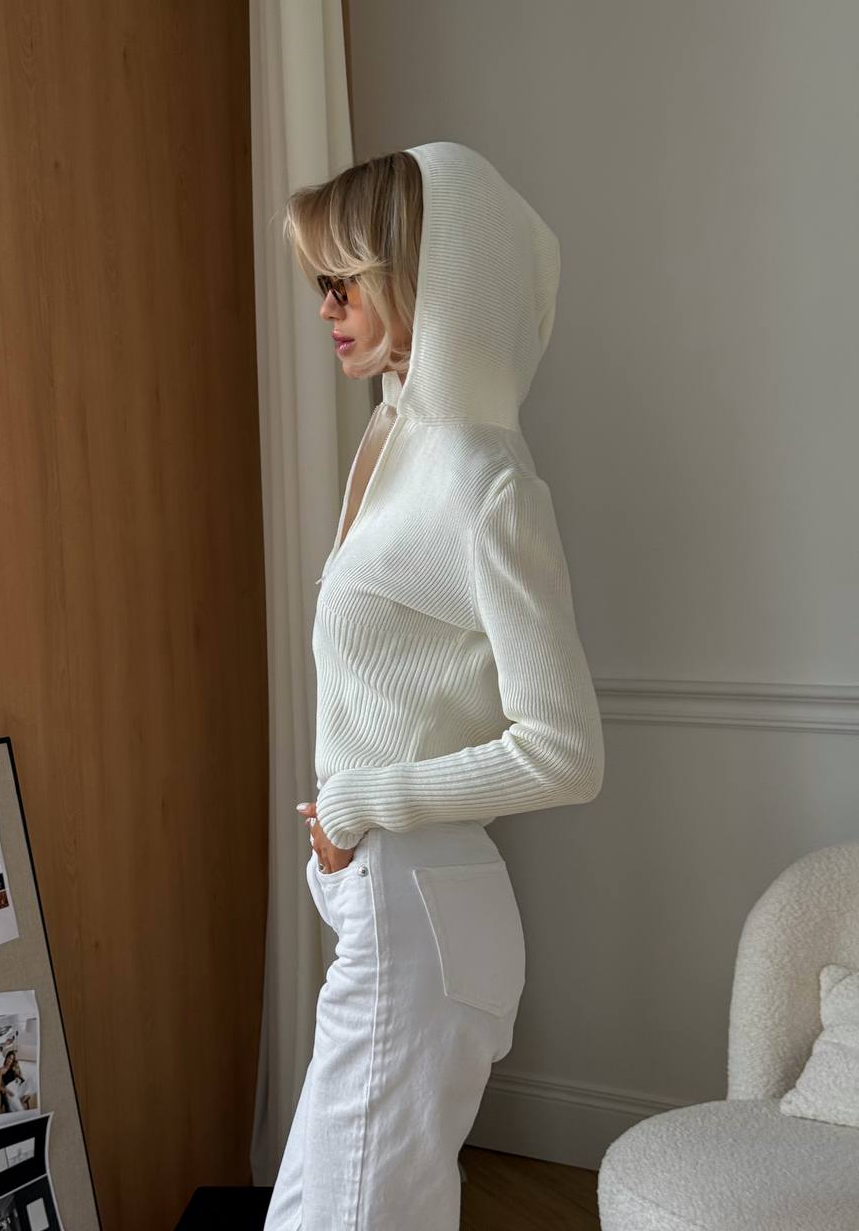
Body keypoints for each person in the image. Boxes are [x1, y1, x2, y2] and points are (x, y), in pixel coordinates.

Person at [264, 141, 604, 1230]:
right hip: (387, 897)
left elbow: (565, 750)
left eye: (343, 279)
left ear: (424, 270)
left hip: (420, 900)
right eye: (319, 280)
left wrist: (361, 803)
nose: (325, 306)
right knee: (338, 1202)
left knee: (353, 1212)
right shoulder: (388, 437)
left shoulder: (482, 476)